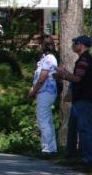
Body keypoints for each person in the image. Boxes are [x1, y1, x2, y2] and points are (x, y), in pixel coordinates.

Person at [57, 35, 92, 163]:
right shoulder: (83, 59)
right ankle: (70, 155)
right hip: (79, 99)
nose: (72, 45)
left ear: (81, 45)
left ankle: (87, 158)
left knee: (84, 128)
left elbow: (77, 79)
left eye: (75, 43)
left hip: (83, 99)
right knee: (73, 128)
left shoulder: (84, 60)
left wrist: (63, 75)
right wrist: (65, 72)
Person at [28, 34, 58, 154]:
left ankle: (47, 149)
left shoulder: (49, 58)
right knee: (47, 120)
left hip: (46, 92)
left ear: (44, 45)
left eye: (39, 44)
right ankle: (52, 148)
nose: (37, 46)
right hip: (43, 92)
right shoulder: (44, 58)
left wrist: (33, 91)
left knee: (43, 120)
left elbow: (42, 78)